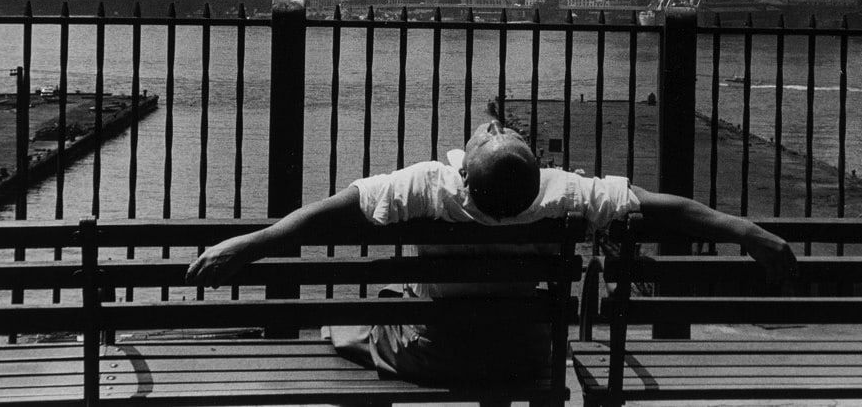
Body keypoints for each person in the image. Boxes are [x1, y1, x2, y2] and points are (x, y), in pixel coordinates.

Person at [186, 115, 798, 384]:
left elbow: (327, 215)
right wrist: (748, 231)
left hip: (438, 353)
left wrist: (249, 244)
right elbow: (665, 207)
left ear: (467, 176)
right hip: (524, 353)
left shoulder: (429, 185)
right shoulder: (561, 195)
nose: (495, 123)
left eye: (495, 131)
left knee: (362, 317)